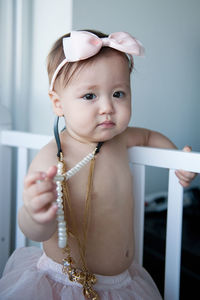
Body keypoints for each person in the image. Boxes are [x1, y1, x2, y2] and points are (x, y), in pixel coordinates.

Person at [0, 30, 196, 300]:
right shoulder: (53, 158)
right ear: (58, 104)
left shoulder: (122, 138)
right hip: (66, 284)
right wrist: (35, 214)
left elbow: (150, 136)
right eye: (90, 96)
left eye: (118, 93)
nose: (107, 107)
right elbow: (34, 230)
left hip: (124, 284)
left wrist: (177, 159)